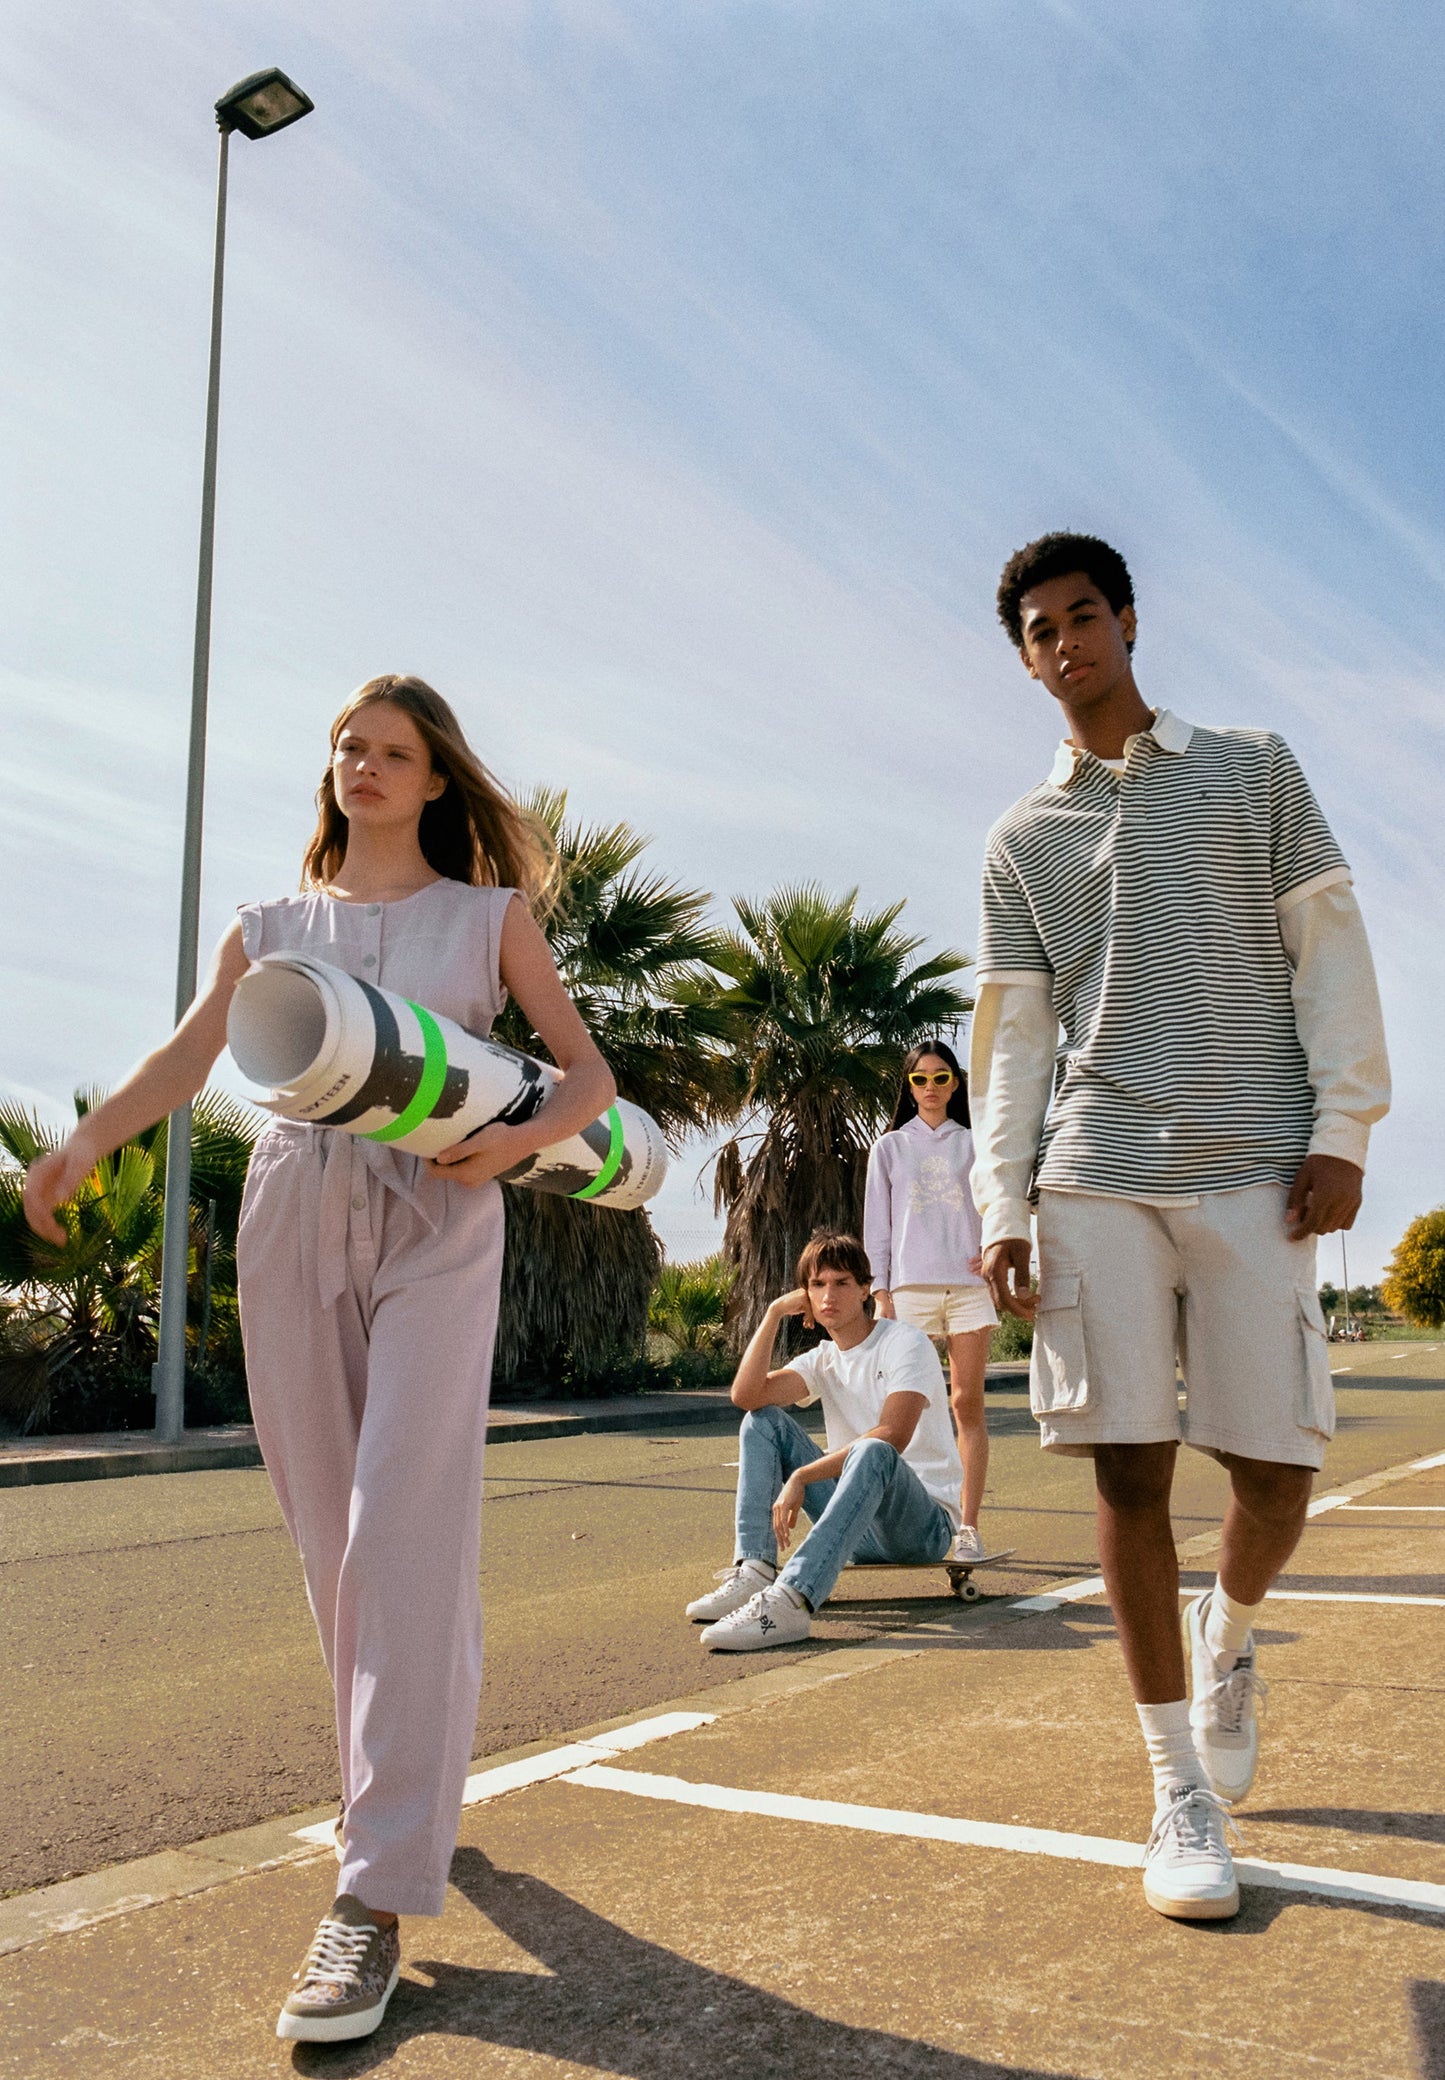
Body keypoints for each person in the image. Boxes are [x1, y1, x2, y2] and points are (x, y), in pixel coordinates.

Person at [23, 675, 616, 2042]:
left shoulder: (487, 919)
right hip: (295, 1210)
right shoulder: (271, 926)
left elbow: (585, 1080)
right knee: (334, 1542)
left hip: (440, 1215)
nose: (365, 766)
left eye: (393, 752)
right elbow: (187, 1057)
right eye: (350, 747)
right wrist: (85, 1142)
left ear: (434, 779)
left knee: (402, 1530)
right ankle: (398, 1796)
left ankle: (376, 1895)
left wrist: (513, 1144)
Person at [970, 533, 1390, 1922]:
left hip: (1258, 1170)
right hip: (1094, 1172)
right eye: (1039, 629)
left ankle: (1232, 1634)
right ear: (1024, 657)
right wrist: (1004, 1199)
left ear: (1129, 623)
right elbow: (1017, 1041)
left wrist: (1341, 1132)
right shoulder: (1020, 840)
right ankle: (1176, 1788)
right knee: (1127, 1479)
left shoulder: (1253, 767)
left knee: (1274, 1479)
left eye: (1083, 615)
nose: (1064, 641)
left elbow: (1327, 947)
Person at [684, 1233, 964, 1650]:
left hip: (921, 1528)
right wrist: (774, 1313)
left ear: (865, 1288)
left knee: (874, 1449)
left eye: (841, 1283)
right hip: (857, 1529)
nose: (828, 1295)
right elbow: (746, 1396)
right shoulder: (822, 1359)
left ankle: (791, 1601)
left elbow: (893, 1435)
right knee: (762, 1421)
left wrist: (802, 1475)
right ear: (805, 1295)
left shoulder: (904, 1342)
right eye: (817, 1285)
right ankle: (755, 1570)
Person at [865, 1039, 998, 1565]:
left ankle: (967, 1527)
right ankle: (914, 1519)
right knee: (909, 1411)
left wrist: (994, 1251)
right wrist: (881, 1292)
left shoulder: (976, 1144)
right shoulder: (890, 1148)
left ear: (956, 1083)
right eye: (920, 1079)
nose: (931, 1088)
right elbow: (878, 1225)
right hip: (910, 1291)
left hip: (968, 1290)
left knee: (966, 1404)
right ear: (909, 1086)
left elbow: (997, 1205)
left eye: (941, 1077)